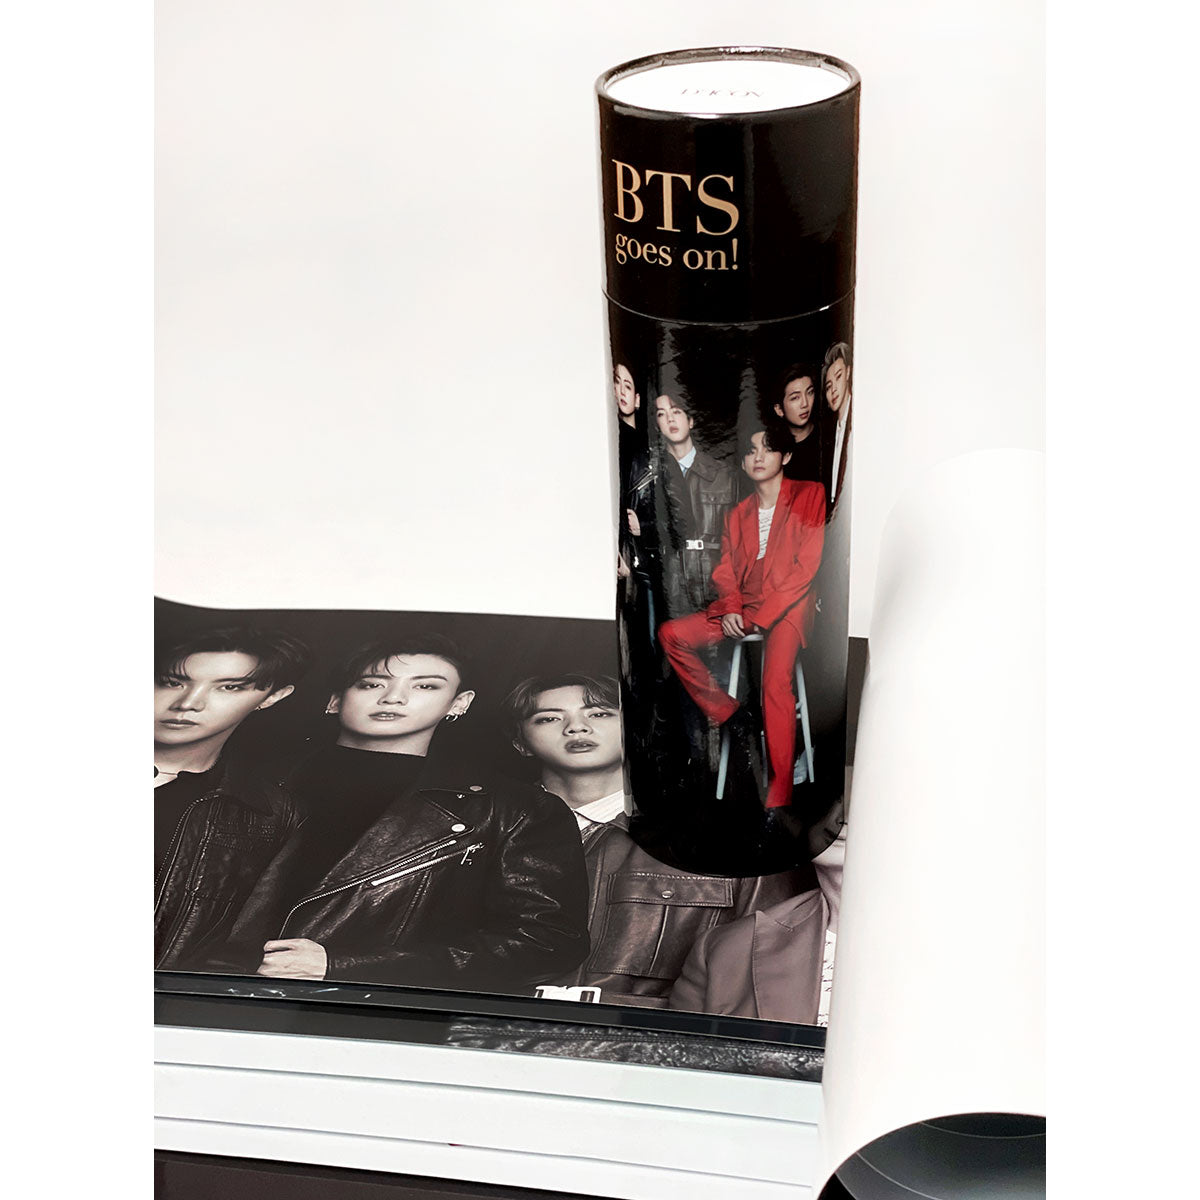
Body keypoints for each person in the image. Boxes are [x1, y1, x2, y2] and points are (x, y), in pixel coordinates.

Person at [212, 635, 590, 994]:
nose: (393, 697)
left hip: (366, 1015)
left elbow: (547, 942)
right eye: (372, 684)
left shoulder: (514, 808)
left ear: (459, 703)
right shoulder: (242, 782)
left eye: (425, 686)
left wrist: (348, 967)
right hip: (210, 996)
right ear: (335, 700)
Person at [506, 672, 804, 1006]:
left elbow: (767, 966)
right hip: (492, 1027)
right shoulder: (482, 831)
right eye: (549, 718)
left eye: (599, 713)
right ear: (519, 742)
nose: (577, 728)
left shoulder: (729, 838)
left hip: (647, 1032)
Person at [659, 424, 826, 810]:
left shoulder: (809, 494)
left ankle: (779, 793)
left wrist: (763, 617)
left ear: (785, 456)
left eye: (768, 449)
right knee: (671, 634)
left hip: (788, 607)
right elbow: (726, 570)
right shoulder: (737, 514)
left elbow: (806, 568)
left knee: (774, 682)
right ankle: (730, 713)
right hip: (745, 606)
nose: (758, 457)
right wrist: (733, 608)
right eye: (751, 451)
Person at [154, 626, 311, 970]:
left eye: (229, 687)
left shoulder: (273, 814)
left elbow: (239, 950)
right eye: (171, 682)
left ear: (273, 697)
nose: (188, 703)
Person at [653, 391, 738, 616]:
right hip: (670, 582)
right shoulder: (651, 476)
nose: (670, 419)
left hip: (714, 580)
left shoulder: (724, 474)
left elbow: (738, 539)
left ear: (690, 420)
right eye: (662, 414)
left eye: (676, 411)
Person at [773, 363, 825, 490]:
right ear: (779, 409)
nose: (805, 403)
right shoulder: (773, 451)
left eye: (810, 392)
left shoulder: (826, 439)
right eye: (795, 397)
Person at [820, 341, 853, 512]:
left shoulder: (856, 421)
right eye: (828, 386)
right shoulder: (829, 432)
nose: (833, 390)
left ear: (848, 372)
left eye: (838, 377)